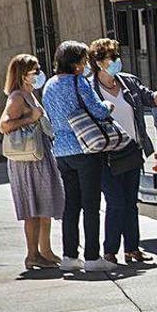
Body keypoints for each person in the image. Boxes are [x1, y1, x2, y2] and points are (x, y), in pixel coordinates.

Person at [88, 38, 157, 264]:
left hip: (132, 150)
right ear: (98, 62)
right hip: (105, 154)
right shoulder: (90, 89)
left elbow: (153, 101)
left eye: (117, 57)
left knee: (130, 202)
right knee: (115, 201)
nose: (116, 62)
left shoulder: (129, 83)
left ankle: (132, 249)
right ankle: (109, 251)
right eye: (111, 58)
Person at [41, 41, 116, 273]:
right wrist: (108, 105)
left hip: (61, 151)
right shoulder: (79, 82)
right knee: (91, 204)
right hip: (85, 147)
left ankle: (69, 255)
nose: (85, 65)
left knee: (71, 204)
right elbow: (99, 110)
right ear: (75, 64)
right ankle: (92, 256)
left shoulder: (50, 85)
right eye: (83, 61)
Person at [0, 54, 62, 270]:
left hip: (40, 155)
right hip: (27, 159)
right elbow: (4, 125)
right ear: (23, 75)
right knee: (33, 207)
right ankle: (32, 254)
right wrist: (30, 118)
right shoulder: (17, 97)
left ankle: (46, 250)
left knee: (45, 204)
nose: (38, 74)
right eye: (34, 71)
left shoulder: (31, 94)